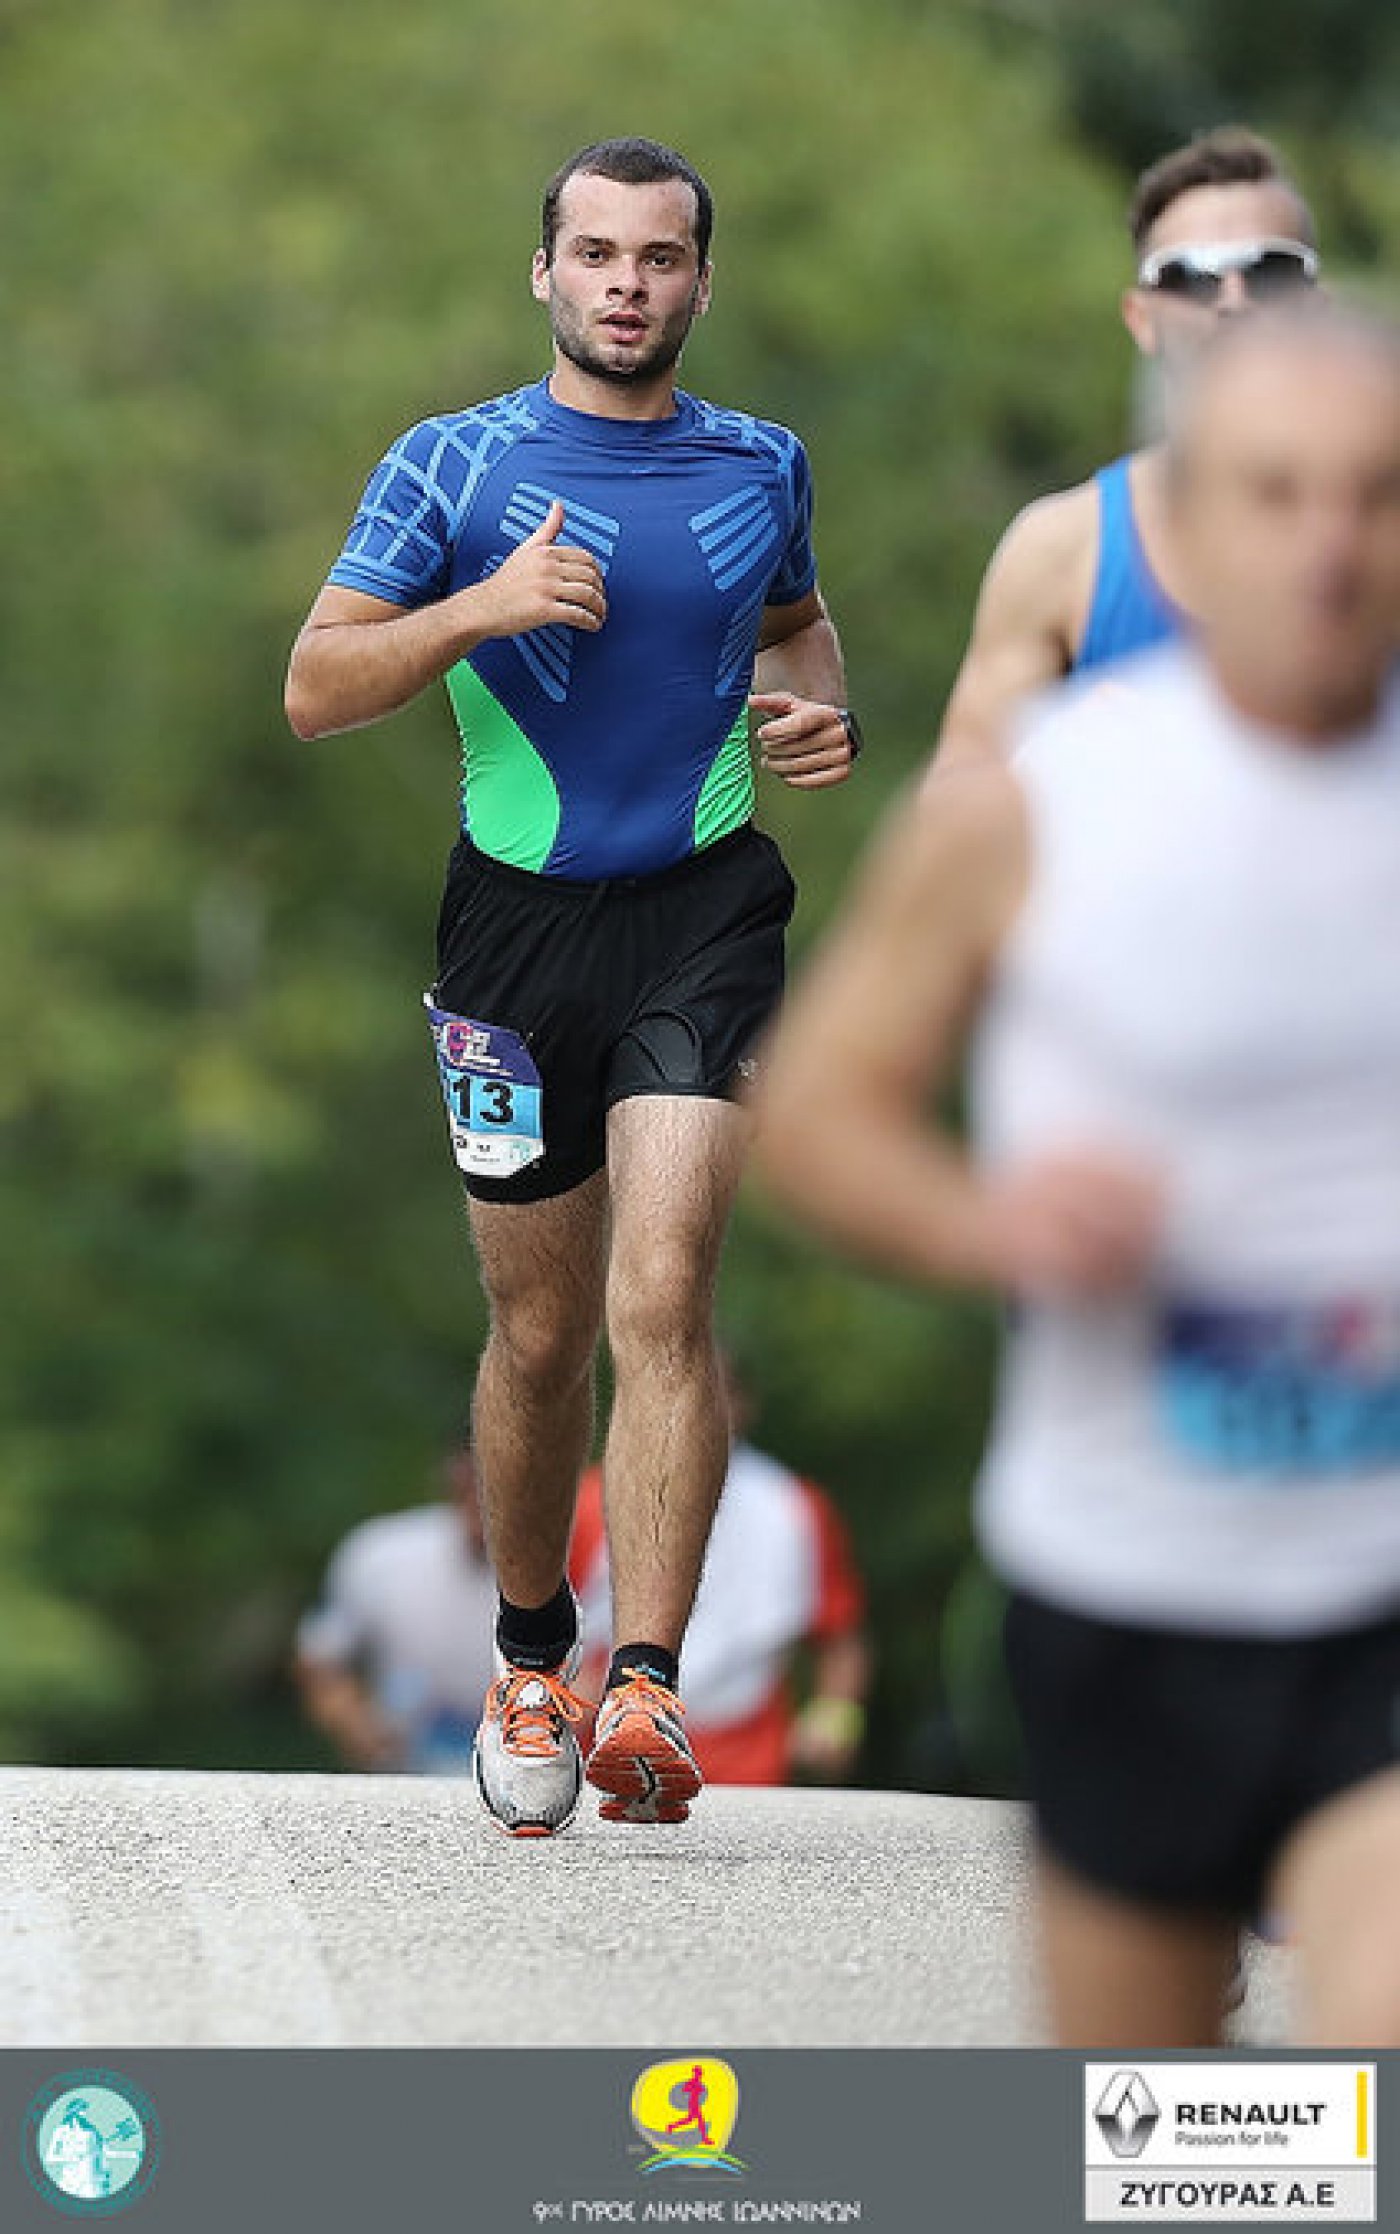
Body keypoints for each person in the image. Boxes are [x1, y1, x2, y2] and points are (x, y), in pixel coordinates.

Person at [756, 306, 1400, 2047]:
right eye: (1278, 493)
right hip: (1133, 1575)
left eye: (1377, 495)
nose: (1332, 548)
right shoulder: (1036, 803)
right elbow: (814, 1112)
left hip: (1382, 1578)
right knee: (1151, 2123)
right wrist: (996, 1221)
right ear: (1180, 525)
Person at [285, 139, 856, 1838]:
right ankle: (535, 1654)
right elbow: (317, 685)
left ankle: (650, 1681)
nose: (627, 283)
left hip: (706, 909)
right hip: (512, 935)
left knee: (662, 1291)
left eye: (659, 257)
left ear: (701, 281)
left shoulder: (763, 461)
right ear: (544, 271)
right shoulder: (451, 463)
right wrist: (484, 603)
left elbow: (798, 627)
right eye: (596, 253)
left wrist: (818, 710)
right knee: (539, 1330)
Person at [934, 127, 1321, 767]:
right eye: (1188, 277)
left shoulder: (1381, 532)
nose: (1233, 301)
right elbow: (956, 800)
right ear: (1141, 318)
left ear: (1318, 300)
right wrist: (1060, 753)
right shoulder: (1063, 550)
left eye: (1270, 269)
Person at [568, 1352, 870, 1785]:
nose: (694, 1406)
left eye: (715, 1391)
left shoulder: (795, 1508)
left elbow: (841, 1637)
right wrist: (564, 1692)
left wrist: (836, 1716)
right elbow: (549, 1623)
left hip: (746, 1759)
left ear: (744, 1404)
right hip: (609, 1753)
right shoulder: (589, 1502)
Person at [295, 1447, 496, 1774]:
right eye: (472, 1483)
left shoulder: (573, 1555)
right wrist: (354, 1723)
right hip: (405, 1758)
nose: (482, 1499)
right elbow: (321, 1661)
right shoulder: (381, 1554)